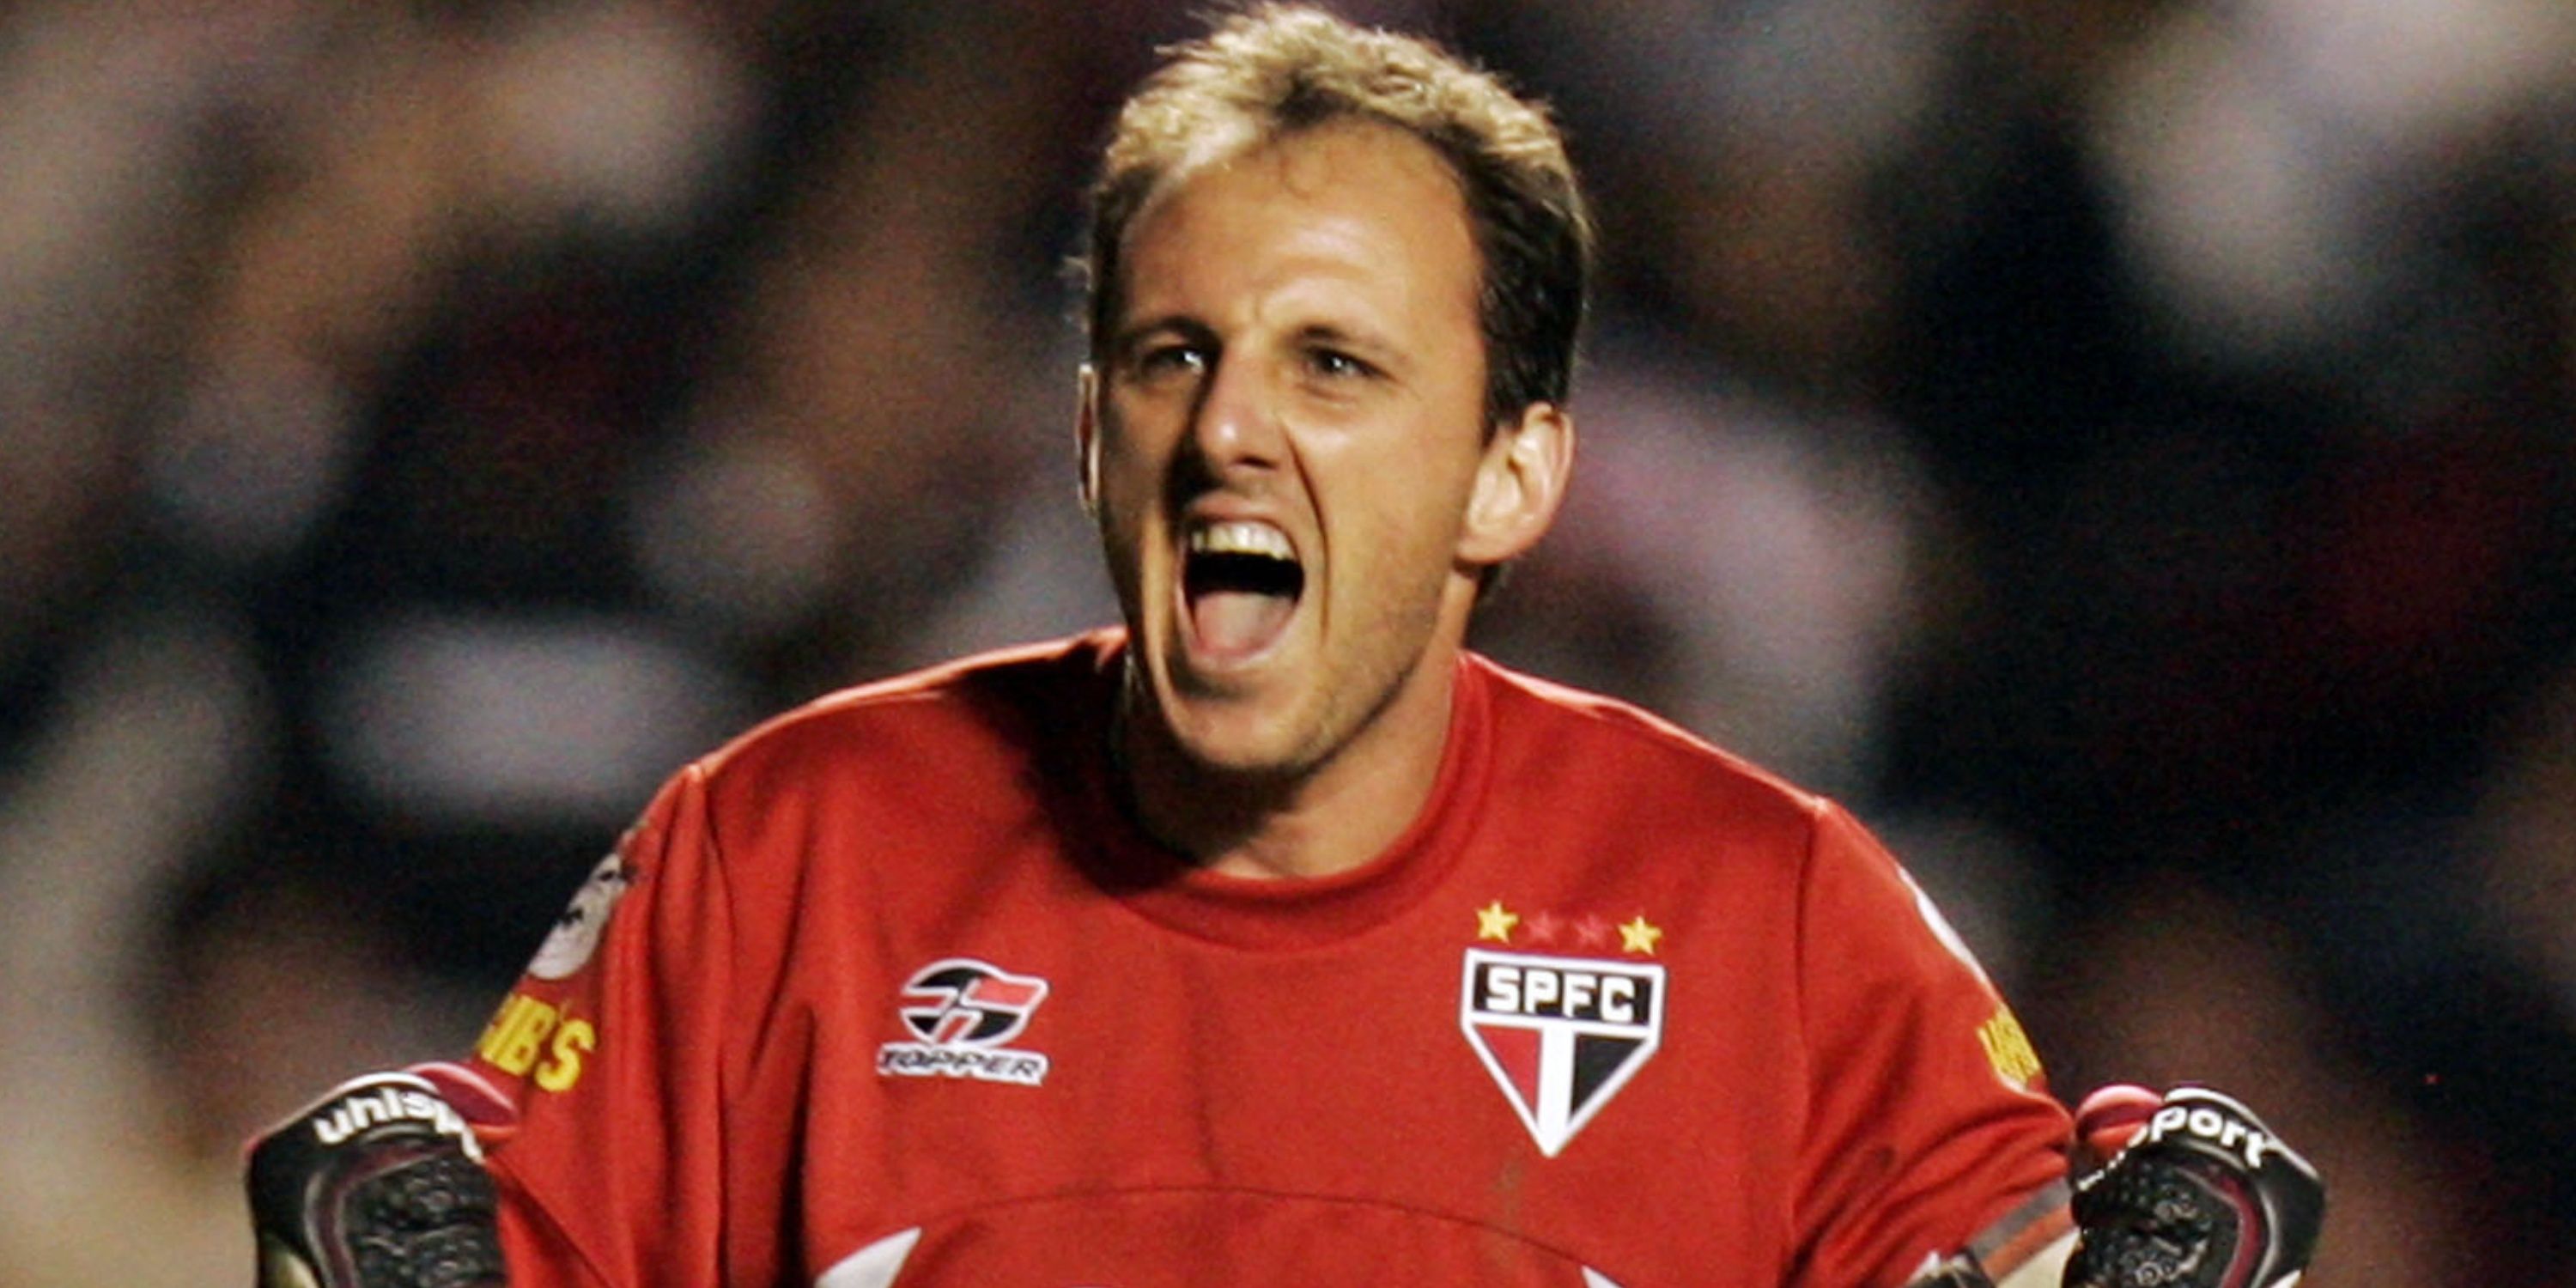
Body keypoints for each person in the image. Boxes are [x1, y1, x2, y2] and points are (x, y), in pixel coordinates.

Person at [244, 7, 2320, 1287]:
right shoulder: (787, 850)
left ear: (1513, 478)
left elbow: (2029, 1253)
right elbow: (480, 1222)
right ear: (1086, 436)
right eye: (1172, 355)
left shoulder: (1760, 910)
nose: (1233, 423)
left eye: (1337, 365)